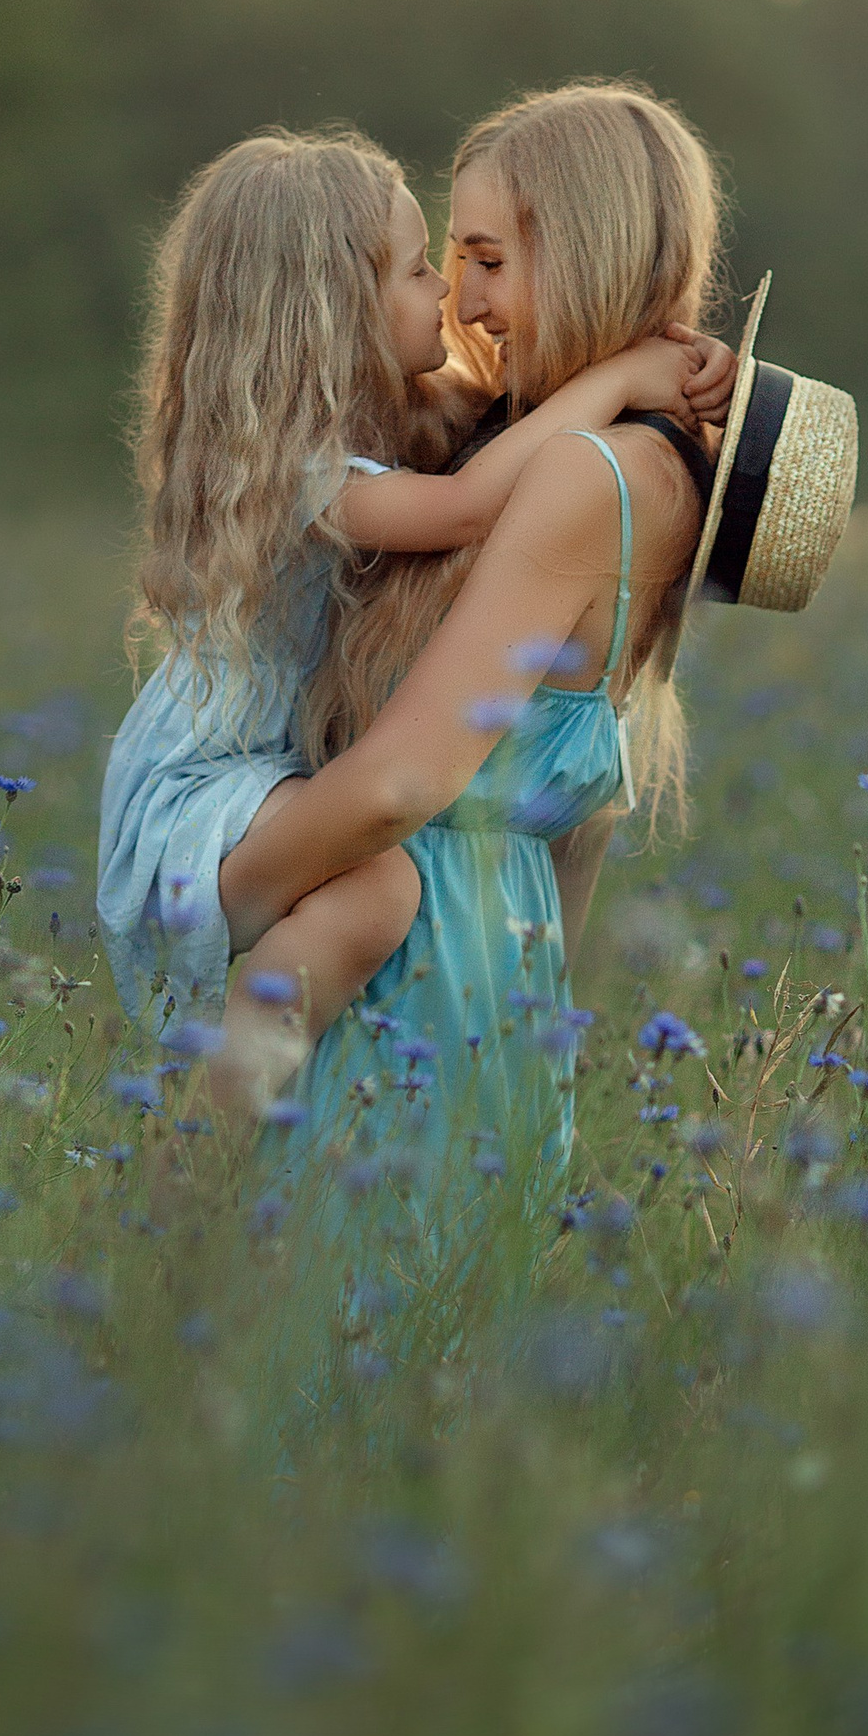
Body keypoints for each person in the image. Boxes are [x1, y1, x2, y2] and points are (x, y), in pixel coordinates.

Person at [97, 126, 731, 1059]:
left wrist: (668, 374)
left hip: (325, 859)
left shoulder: (559, 469)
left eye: (480, 260)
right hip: (206, 791)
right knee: (378, 891)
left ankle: (203, 1144)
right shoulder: (316, 478)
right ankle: (200, 1149)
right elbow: (469, 504)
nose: (451, 294)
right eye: (424, 268)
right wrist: (620, 374)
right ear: (336, 312)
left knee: (377, 893)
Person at [215, 81, 724, 1218]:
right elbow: (578, 826)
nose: (466, 303)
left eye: (488, 261)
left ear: (584, 251)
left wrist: (225, 907)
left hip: (413, 992)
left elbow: (402, 780)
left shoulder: (590, 476)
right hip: (482, 988)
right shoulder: (599, 454)